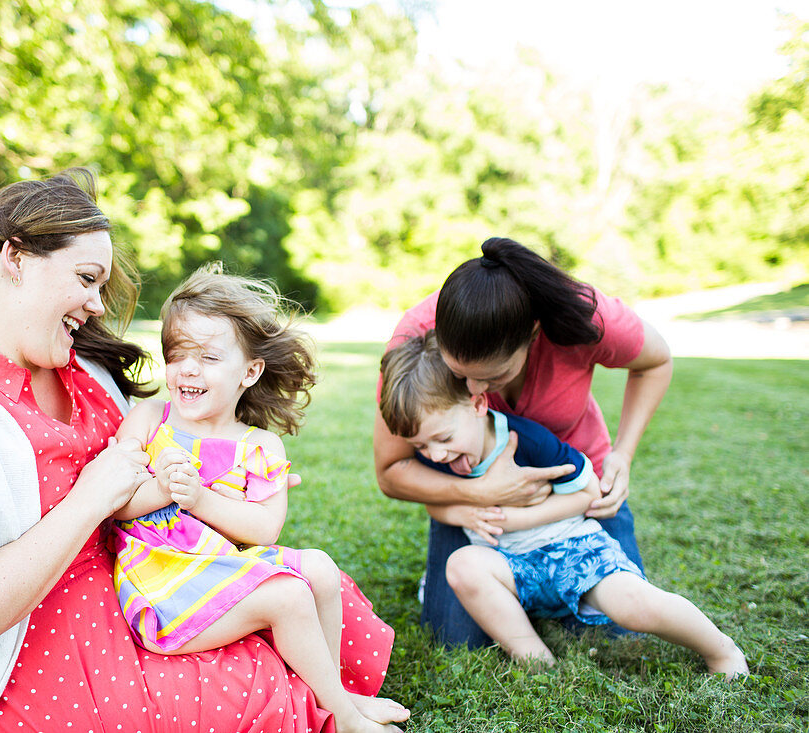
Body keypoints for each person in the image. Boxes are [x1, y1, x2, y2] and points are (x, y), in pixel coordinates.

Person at [0, 168, 398, 733]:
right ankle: (329, 704)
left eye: (99, 286)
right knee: (253, 688)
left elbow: (189, 427)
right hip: (27, 643)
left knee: (317, 590)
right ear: (14, 257)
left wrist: (232, 475)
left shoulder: (80, 365)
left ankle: (330, 696)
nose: (94, 304)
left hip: (151, 567)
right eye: (86, 278)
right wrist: (91, 499)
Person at [110, 264, 408, 733]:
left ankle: (334, 690)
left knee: (321, 569)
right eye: (177, 354)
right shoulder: (150, 419)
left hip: (223, 563)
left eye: (207, 357)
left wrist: (200, 499)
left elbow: (266, 529)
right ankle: (345, 719)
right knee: (288, 597)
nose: (187, 367)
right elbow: (113, 503)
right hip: (162, 584)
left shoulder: (259, 446)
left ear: (250, 371)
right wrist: (161, 488)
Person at [378, 333, 748, 677]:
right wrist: (462, 511)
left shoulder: (527, 439)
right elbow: (434, 506)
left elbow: (588, 494)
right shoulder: (440, 455)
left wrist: (514, 518)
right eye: (422, 447)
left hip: (573, 550)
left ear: (477, 403)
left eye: (442, 438)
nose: (435, 454)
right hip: (512, 566)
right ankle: (536, 660)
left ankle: (720, 649)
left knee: (632, 604)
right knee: (462, 565)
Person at [374, 236, 674, 648]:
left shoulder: (584, 314)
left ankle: (527, 585)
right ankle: (503, 579)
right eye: (460, 377)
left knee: (619, 632)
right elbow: (390, 472)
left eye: (491, 377)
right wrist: (477, 493)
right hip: (476, 509)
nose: (476, 389)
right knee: (455, 640)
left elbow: (656, 360)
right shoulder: (415, 343)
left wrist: (623, 452)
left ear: (533, 335)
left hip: (576, 490)